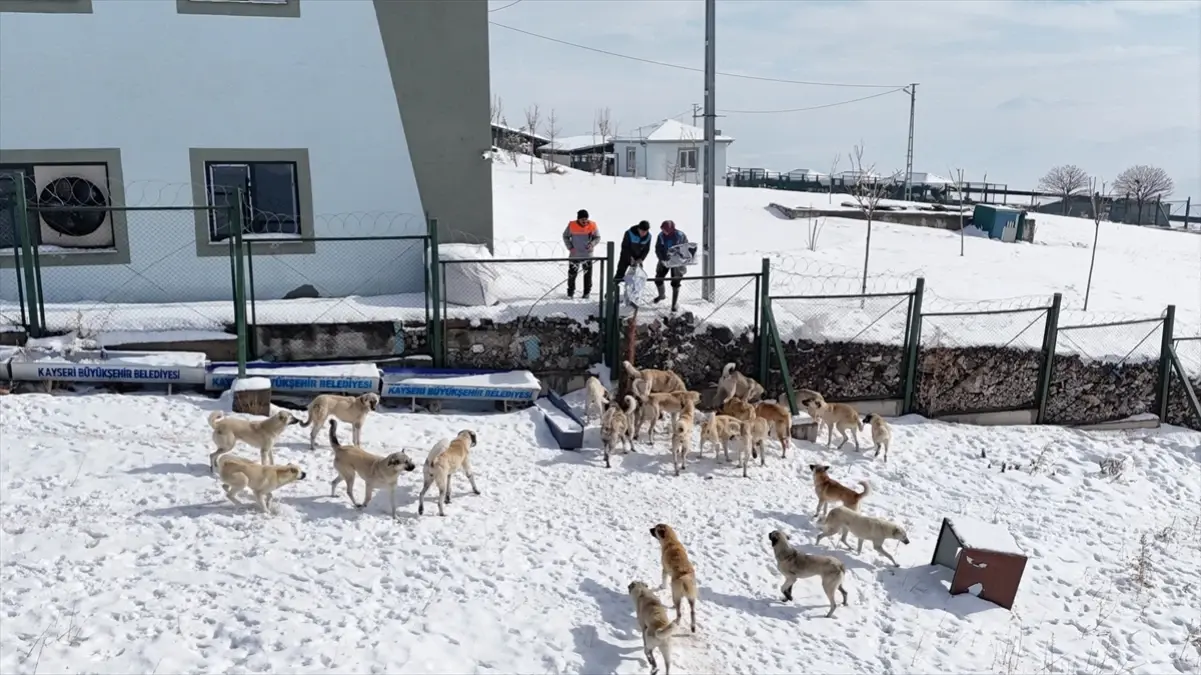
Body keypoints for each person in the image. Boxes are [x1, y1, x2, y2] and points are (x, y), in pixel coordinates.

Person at [562, 209, 600, 298]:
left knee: (588, 275)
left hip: (587, 255)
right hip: (574, 255)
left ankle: (586, 293)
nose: (584, 221)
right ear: (578, 219)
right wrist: (570, 247)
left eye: (586, 219)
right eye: (582, 219)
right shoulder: (572, 225)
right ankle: (570, 292)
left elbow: (597, 237)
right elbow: (565, 236)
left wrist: (592, 244)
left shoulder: (592, 225)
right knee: (572, 274)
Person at [653, 219, 689, 311]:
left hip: (677, 262)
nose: (663, 231)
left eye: (665, 230)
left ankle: (674, 304)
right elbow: (658, 248)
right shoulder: (661, 236)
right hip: (665, 259)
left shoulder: (680, 235)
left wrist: (679, 256)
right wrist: (662, 258)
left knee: (675, 283)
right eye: (662, 229)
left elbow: (685, 248)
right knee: (658, 279)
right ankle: (661, 295)